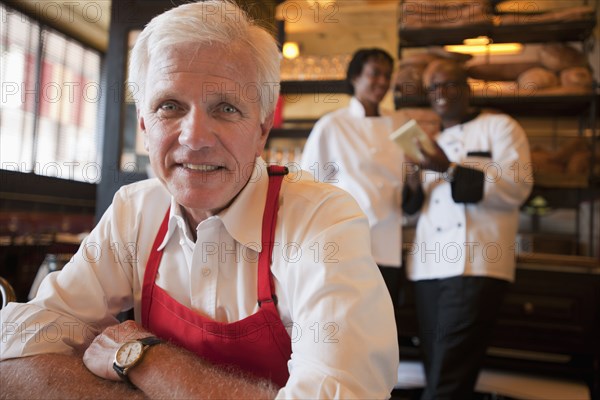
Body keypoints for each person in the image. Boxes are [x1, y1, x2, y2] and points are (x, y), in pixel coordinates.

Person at [0, 2, 399, 399]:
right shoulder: (134, 210)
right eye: (169, 107)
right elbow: (15, 351)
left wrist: (149, 360)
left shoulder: (320, 220)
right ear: (144, 125)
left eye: (226, 108)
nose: (194, 138)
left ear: (262, 129)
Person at [402, 58, 533, 400]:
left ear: (467, 88)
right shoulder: (430, 142)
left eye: (449, 84)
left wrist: (450, 169)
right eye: (433, 87)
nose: (440, 93)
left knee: (447, 380)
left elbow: (517, 187)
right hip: (428, 269)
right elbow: (413, 211)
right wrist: (414, 180)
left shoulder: (501, 127)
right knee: (437, 371)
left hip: (475, 264)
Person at [300, 48, 409, 313]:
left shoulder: (401, 124)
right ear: (355, 77)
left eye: (387, 75)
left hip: (389, 240)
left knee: (382, 321)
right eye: (374, 74)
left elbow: (412, 181)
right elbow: (309, 186)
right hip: (347, 241)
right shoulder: (333, 125)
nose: (382, 82)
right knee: (347, 317)